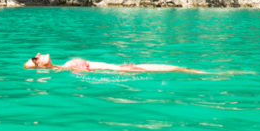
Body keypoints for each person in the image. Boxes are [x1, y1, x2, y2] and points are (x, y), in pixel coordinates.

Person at [23, 53, 206, 74]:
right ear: (40, 65)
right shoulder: (67, 68)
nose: (38, 54)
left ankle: (197, 72)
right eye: (34, 58)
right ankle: (201, 74)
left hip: (123, 69)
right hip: (125, 71)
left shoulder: (65, 66)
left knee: (172, 68)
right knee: (172, 69)